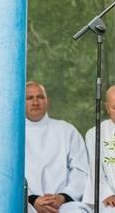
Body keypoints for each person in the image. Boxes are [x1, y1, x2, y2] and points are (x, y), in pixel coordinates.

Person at [25, 81, 91, 213]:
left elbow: (80, 170)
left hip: (64, 204)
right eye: (29, 98)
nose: (35, 102)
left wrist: (63, 197)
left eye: (40, 97)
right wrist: (32, 199)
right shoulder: (13, 135)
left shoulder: (66, 130)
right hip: (26, 202)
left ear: (48, 102)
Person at [83, 84, 115, 213]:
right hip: (110, 200)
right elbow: (94, 169)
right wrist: (106, 193)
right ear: (107, 108)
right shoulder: (95, 133)